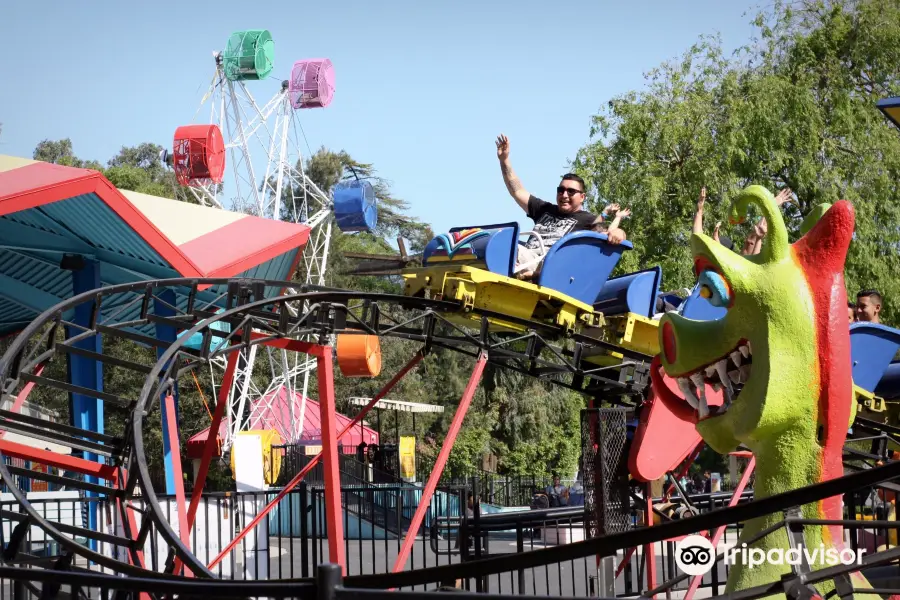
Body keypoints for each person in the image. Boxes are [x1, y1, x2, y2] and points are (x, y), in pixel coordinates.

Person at [496, 134, 627, 280]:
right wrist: (504, 160)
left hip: (547, 264)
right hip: (527, 257)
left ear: (582, 197)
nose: (564, 195)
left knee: (506, 247)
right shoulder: (545, 209)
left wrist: (619, 233)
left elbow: (609, 233)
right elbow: (517, 191)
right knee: (494, 241)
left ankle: (531, 275)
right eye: (561, 190)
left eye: (571, 191)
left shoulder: (588, 219)